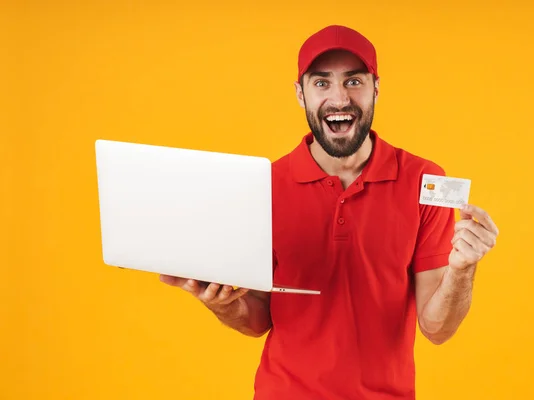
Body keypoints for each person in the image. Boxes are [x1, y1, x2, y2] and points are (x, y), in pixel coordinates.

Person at [159, 25, 499, 400]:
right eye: (322, 83)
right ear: (300, 93)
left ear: (376, 88)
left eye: (354, 81)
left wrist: (463, 270)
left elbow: (438, 329)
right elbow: (258, 319)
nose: (340, 98)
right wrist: (224, 306)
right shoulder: (264, 185)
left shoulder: (424, 180)